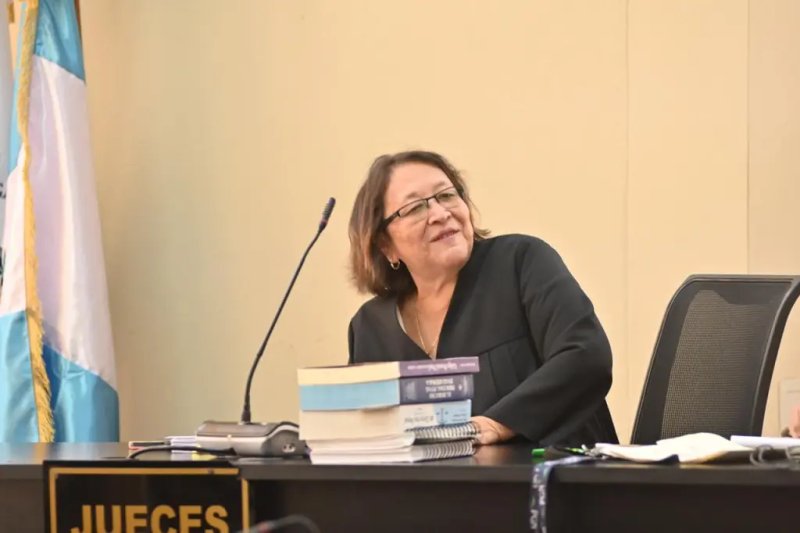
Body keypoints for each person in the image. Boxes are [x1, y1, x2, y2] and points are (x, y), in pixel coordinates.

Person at [346, 150, 618, 446]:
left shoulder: (520, 263)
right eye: (414, 208)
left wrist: (496, 424)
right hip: (435, 489)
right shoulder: (370, 327)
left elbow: (586, 356)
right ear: (386, 245)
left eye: (447, 195)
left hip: (556, 479)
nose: (440, 214)